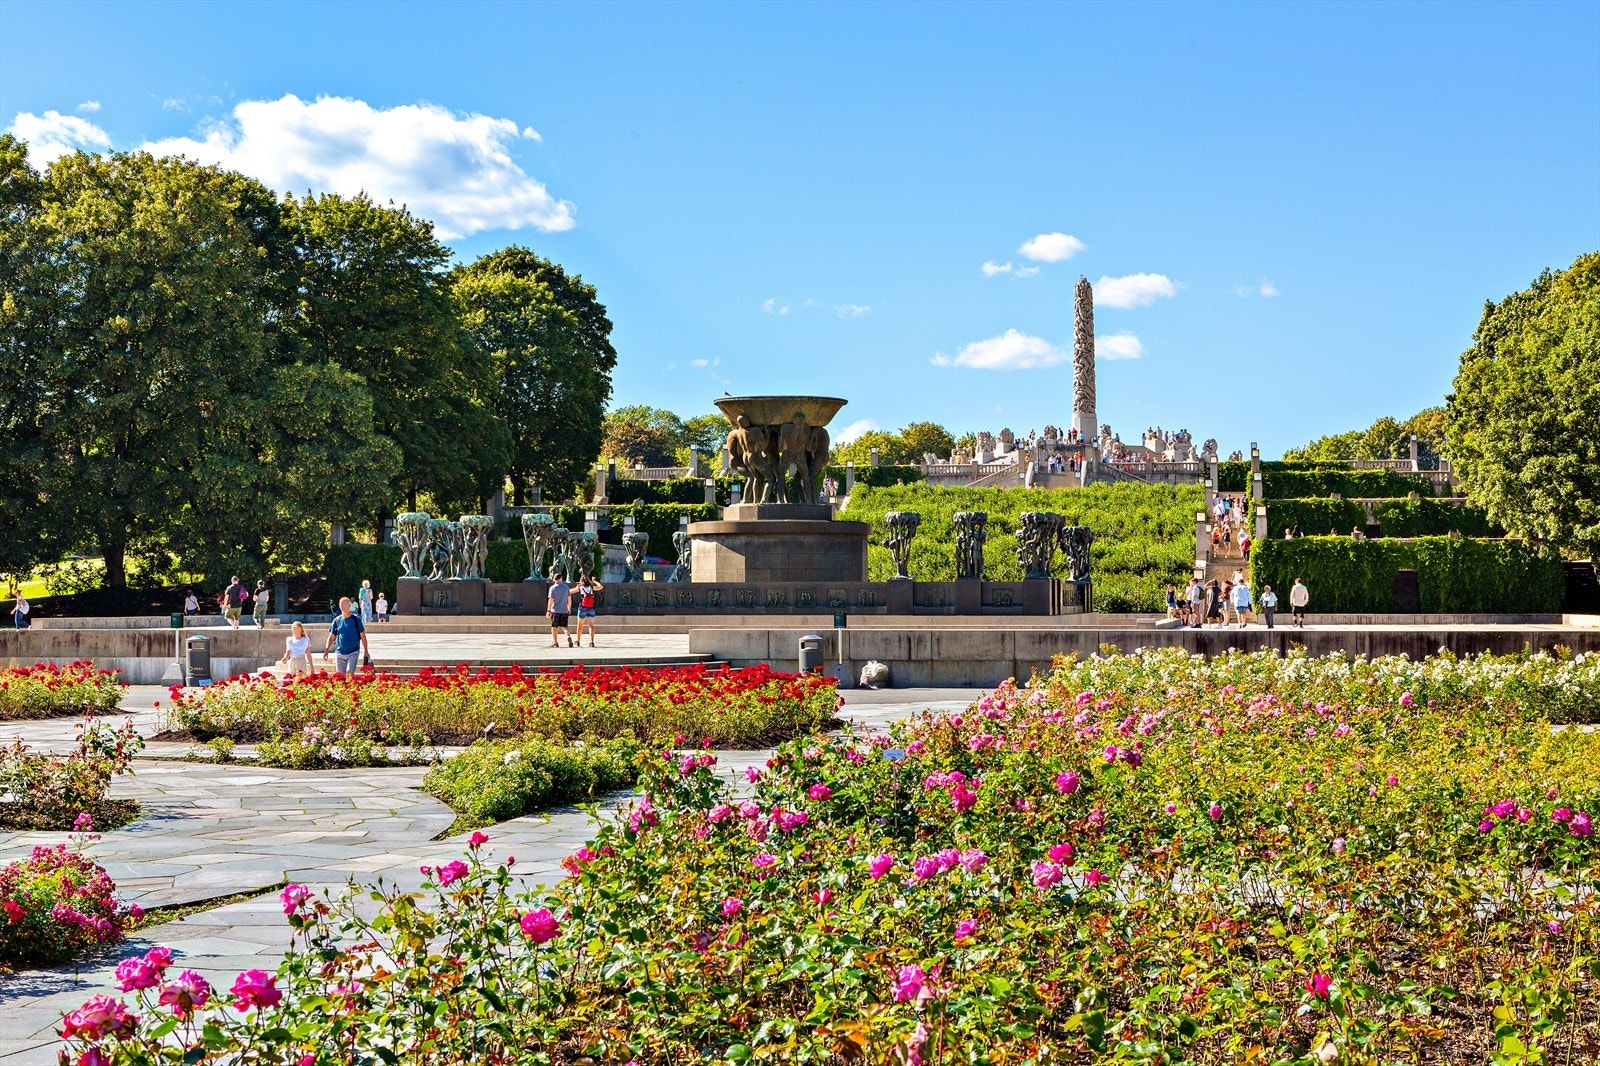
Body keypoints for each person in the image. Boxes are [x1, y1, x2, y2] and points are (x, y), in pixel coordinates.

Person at [323, 596, 370, 675]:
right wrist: (326, 650)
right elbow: (331, 637)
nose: (346, 607)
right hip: (340, 653)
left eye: (347, 604)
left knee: (349, 672)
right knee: (340, 677)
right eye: (343, 605)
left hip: (353, 652)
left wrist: (366, 651)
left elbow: (363, 635)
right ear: (340, 606)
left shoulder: (356, 619)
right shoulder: (337, 620)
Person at [573, 573, 604, 648]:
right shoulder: (591, 587)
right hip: (591, 608)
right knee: (591, 626)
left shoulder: (580, 588)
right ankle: (592, 641)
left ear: (581, 582)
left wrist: (576, 587)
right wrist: (594, 581)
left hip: (582, 608)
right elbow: (601, 587)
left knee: (580, 626)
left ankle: (578, 641)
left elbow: (569, 591)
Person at [547, 574, 573, 648]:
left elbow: (551, 600)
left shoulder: (552, 588)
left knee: (554, 627)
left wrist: (548, 610)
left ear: (554, 579)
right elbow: (569, 599)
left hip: (555, 610)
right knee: (565, 626)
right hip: (564, 610)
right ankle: (568, 636)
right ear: (561, 578)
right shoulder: (566, 587)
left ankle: (555, 642)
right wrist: (569, 608)